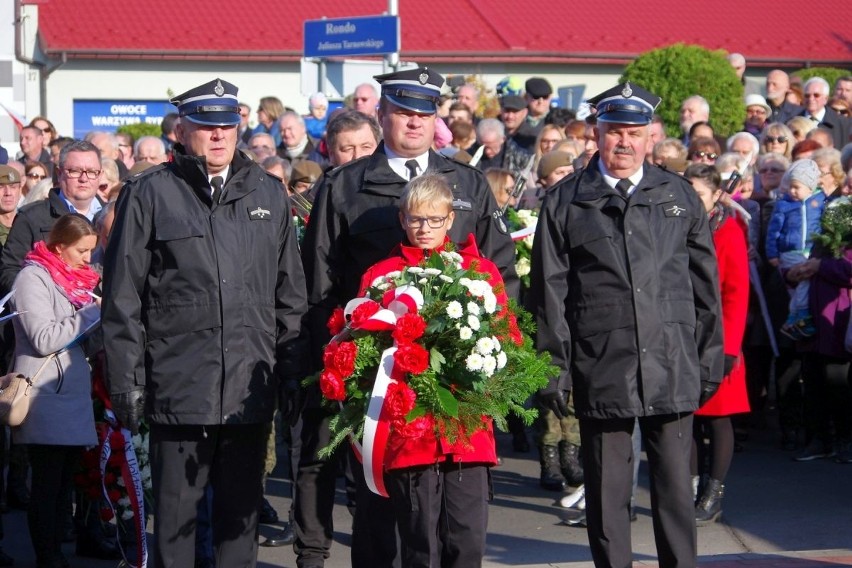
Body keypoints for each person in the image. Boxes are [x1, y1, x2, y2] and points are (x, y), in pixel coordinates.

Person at [298, 66, 517, 568]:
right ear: (382, 115)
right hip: (378, 384)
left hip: (455, 382)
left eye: (425, 112)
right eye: (402, 111)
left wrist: (491, 355)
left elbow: (499, 271)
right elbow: (319, 283)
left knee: (457, 520)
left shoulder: (466, 181)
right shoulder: (345, 185)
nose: (414, 122)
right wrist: (330, 368)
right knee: (381, 520)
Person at [100, 78, 307, 568]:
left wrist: (293, 369)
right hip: (179, 383)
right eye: (205, 125)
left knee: (239, 521)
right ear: (182, 129)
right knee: (175, 519)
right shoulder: (150, 194)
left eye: (226, 124)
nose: (217, 135)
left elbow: (289, 296)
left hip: (248, 388)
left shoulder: (267, 192)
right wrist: (126, 381)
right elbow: (122, 296)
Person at [527, 82, 724, 568]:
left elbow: (705, 288)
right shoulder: (566, 200)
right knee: (608, 490)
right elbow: (549, 293)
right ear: (597, 133)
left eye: (635, 133)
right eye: (615, 131)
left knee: (676, 490)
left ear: (650, 137)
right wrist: (554, 367)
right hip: (602, 359)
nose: (624, 143)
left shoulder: (677, 194)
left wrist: (709, 359)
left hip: (671, 358)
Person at [357, 173, 501, 568]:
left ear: (451, 219)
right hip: (410, 430)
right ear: (403, 219)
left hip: (467, 426)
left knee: (467, 540)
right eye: (416, 219)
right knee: (420, 544)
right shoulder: (382, 274)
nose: (425, 228)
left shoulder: (480, 272)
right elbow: (364, 349)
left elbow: (508, 339)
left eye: (434, 220)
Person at [11, 213, 101, 568]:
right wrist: (93, 314)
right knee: (47, 486)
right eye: (81, 251)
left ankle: (55, 552)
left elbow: (80, 341)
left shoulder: (75, 280)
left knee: (64, 486)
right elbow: (43, 338)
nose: (88, 259)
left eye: (91, 251)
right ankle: (47, 556)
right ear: (59, 247)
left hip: (72, 393)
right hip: (46, 395)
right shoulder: (31, 277)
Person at [683, 164, 750, 524]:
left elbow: (737, 293)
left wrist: (728, 348)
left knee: (718, 418)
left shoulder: (729, 231)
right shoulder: (679, 227)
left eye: (699, 194)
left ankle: (714, 492)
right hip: (684, 335)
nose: (692, 201)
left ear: (715, 196)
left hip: (720, 337)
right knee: (687, 415)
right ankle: (690, 487)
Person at [0, 140, 104, 296]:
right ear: (59, 173)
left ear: (100, 175)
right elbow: (9, 270)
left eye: (91, 171)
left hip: (103, 313)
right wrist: (40, 299)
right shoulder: (31, 217)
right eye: (74, 171)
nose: (84, 178)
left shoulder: (114, 216)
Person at [765, 159, 826, 339]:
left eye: (797, 187)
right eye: (790, 186)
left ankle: (792, 320)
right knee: (803, 280)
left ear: (810, 186)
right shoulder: (785, 204)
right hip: (790, 252)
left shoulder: (820, 201)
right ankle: (801, 316)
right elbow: (773, 231)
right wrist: (772, 253)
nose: (792, 191)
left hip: (810, 250)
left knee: (800, 286)